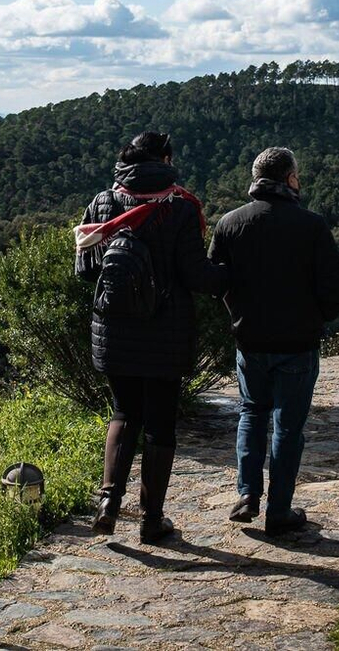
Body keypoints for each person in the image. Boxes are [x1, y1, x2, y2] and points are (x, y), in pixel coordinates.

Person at [76, 131, 227, 543]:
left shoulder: (104, 201)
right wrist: (231, 273)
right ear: (165, 158)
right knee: (160, 424)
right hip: (167, 332)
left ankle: (108, 502)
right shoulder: (179, 207)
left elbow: (87, 270)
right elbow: (197, 277)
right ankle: (150, 519)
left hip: (115, 329)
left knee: (124, 413)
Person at [208, 146, 339, 535]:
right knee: (288, 426)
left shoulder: (230, 223)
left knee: (252, 412)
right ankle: (279, 510)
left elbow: (215, 281)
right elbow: (335, 285)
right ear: (289, 178)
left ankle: (247, 494)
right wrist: (319, 317)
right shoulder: (311, 225)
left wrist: (237, 314)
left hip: (250, 339)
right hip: (298, 343)